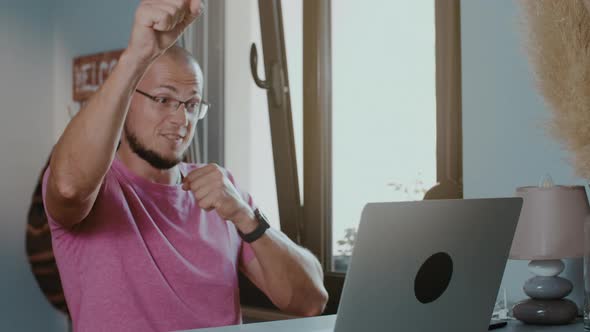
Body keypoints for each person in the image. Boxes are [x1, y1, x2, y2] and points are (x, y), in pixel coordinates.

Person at [42, 1, 328, 331]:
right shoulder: (97, 187)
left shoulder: (221, 192)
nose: (181, 119)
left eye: (192, 105)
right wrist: (136, 56)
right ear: (126, 101)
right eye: (164, 99)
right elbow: (68, 186)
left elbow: (310, 301)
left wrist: (246, 218)